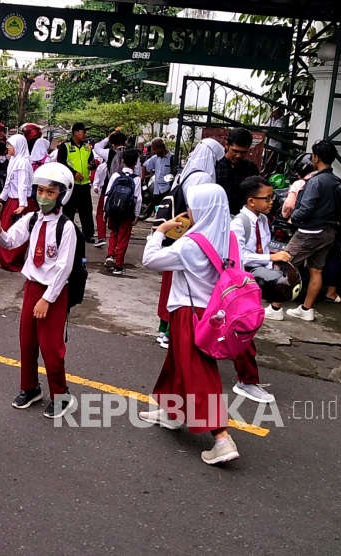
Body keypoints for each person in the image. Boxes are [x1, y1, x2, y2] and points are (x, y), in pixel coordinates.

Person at [141, 183, 240, 466]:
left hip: (189, 312)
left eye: (193, 206)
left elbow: (150, 260)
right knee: (177, 362)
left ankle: (221, 437)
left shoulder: (191, 243)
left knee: (197, 370)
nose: (189, 211)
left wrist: (160, 231)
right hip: (214, 313)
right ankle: (171, 411)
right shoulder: (228, 237)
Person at [0, 162, 78, 419]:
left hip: (54, 294)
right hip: (31, 289)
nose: (44, 197)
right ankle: (30, 388)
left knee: (51, 347)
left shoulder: (66, 227)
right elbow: (11, 240)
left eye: (51, 192)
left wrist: (47, 299)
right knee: (27, 342)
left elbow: (63, 268)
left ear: (62, 195)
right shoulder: (32, 218)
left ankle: (62, 395)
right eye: (41, 191)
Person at [153, 138, 224, 349]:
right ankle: (170, 333)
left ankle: (163, 328)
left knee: (171, 285)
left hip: (176, 233)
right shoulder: (204, 178)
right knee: (185, 289)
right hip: (191, 236)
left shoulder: (187, 172)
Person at [227, 176, 288, 404]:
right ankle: (247, 381)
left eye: (272, 197)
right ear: (251, 200)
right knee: (244, 331)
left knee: (233, 328)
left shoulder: (262, 220)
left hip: (255, 282)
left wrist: (273, 264)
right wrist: (269, 257)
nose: (272, 201)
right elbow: (239, 255)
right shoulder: (238, 223)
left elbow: (263, 247)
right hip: (240, 283)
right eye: (267, 198)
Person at [283, 140, 341, 322]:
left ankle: (275, 307)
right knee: (316, 270)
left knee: (284, 265)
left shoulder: (315, 181)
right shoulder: (337, 181)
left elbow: (306, 208)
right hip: (328, 232)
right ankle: (306, 309)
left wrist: (293, 218)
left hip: (309, 232)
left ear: (316, 158)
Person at [0, 134, 35, 272]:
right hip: (13, 201)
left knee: (17, 231)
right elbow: (8, 182)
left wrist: (22, 204)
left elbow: (23, 185)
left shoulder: (23, 163)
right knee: (5, 228)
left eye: (10, 145)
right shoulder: (14, 160)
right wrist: (1, 198)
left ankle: (12, 261)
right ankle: (5, 261)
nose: (8, 148)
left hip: (20, 203)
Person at [104, 148, 142, 275]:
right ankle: (118, 266)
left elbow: (108, 194)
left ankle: (110, 255)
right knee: (123, 238)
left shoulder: (115, 175)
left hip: (113, 210)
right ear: (136, 162)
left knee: (114, 233)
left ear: (122, 160)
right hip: (126, 212)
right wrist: (136, 215)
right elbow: (138, 198)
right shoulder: (136, 179)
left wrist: (105, 210)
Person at [57, 123, 96, 242]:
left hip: (84, 184)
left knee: (86, 211)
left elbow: (92, 161)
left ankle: (88, 234)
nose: (85, 134)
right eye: (83, 132)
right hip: (71, 185)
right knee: (69, 210)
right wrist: (74, 173)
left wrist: (92, 165)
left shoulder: (87, 147)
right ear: (75, 133)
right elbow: (61, 163)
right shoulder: (65, 146)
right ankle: (67, 233)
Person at [215, 127, 260, 215]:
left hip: (241, 217)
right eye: (235, 151)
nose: (238, 155)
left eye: (243, 152)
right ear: (226, 145)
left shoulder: (251, 168)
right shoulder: (215, 165)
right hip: (217, 215)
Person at [92, 158, 109, 248]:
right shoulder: (103, 166)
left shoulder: (102, 166)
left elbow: (96, 180)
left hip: (104, 192)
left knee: (100, 213)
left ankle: (101, 237)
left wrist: (96, 186)